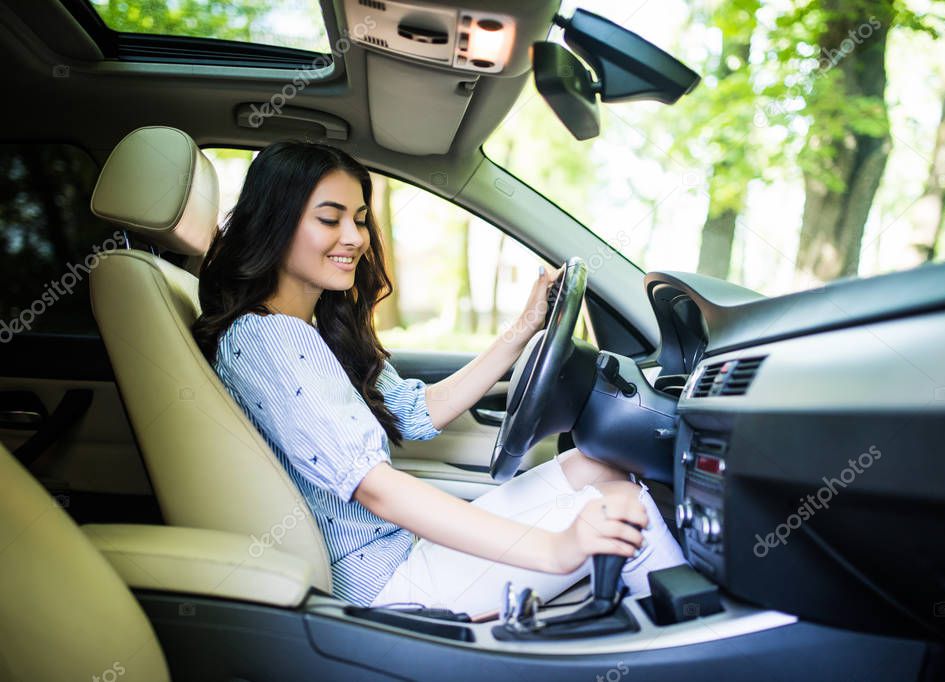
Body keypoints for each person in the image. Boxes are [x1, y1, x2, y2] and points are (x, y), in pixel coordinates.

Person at [192, 140, 686, 620]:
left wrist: (525, 327)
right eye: (329, 219)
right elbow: (375, 489)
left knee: (592, 463)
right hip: (383, 586)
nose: (354, 238)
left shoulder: (313, 330)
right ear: (275, 224)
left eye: (360, 219)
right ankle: (696, 647)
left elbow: (412, 411)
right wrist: (556, 549)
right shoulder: (269, 338)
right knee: (625, 510)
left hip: (397, 552)